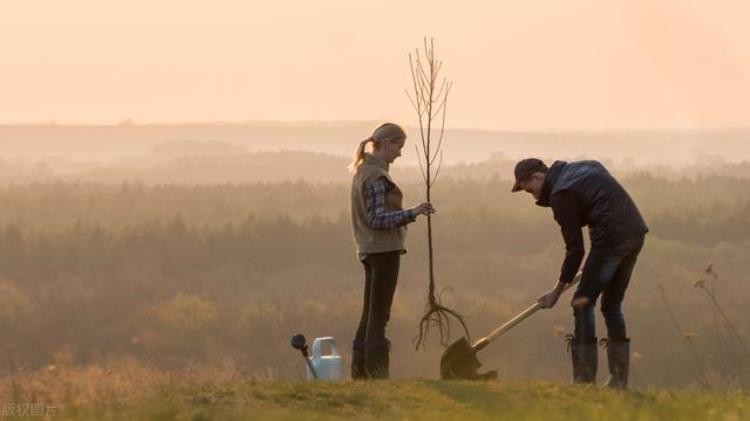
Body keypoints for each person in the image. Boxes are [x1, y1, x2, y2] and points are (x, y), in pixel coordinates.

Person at [511, 158, 647, 389]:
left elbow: (575, 249)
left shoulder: (560, 194)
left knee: (582, 304)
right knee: (612, 305)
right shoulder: (584, 166)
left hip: (610, 239)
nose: (532, 196)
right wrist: (594, 263)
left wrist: (557, 291)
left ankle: (584, 381)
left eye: (529, 190)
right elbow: (599, 202)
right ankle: (618, 381)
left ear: (537, 177)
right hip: (634, 232)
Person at [349, 123, 434, 380]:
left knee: (369, 314)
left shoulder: (362, 171)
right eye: (399, 147)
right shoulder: (377, 177)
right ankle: (376, 376)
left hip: (368, 249)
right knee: (379, 317)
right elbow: (377, 218)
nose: (399, 154)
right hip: (383, 251)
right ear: (387, 144)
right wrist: (413, 212)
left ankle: (360, 375)